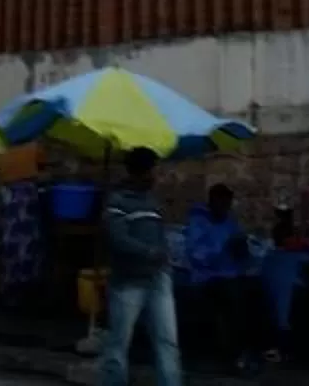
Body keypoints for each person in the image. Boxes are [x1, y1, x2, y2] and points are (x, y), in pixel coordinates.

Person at [99, 147, 182, 386]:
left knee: (167, 342)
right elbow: (117, 238)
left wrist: (163, 256)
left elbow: (158, 234)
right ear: (142, 172)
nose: (156, 176)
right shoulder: (117, 201)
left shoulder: (152, 202)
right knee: (119, 342)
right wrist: (148, 251)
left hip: (158, 278)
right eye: (154, 170)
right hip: (128, 282)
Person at [182, 182, 268, 372]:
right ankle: (233, 356)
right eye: (221, 203)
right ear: (211, 202)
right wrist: (222, 248)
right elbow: (197, 256)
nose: (224, 208)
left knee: (258, 290)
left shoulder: (230, 222)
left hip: (231, 274)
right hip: (206, 277)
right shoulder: (198, 222)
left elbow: (242, 257)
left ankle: (255, 350)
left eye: (227, 204)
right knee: (233, 295)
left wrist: (243, 249)